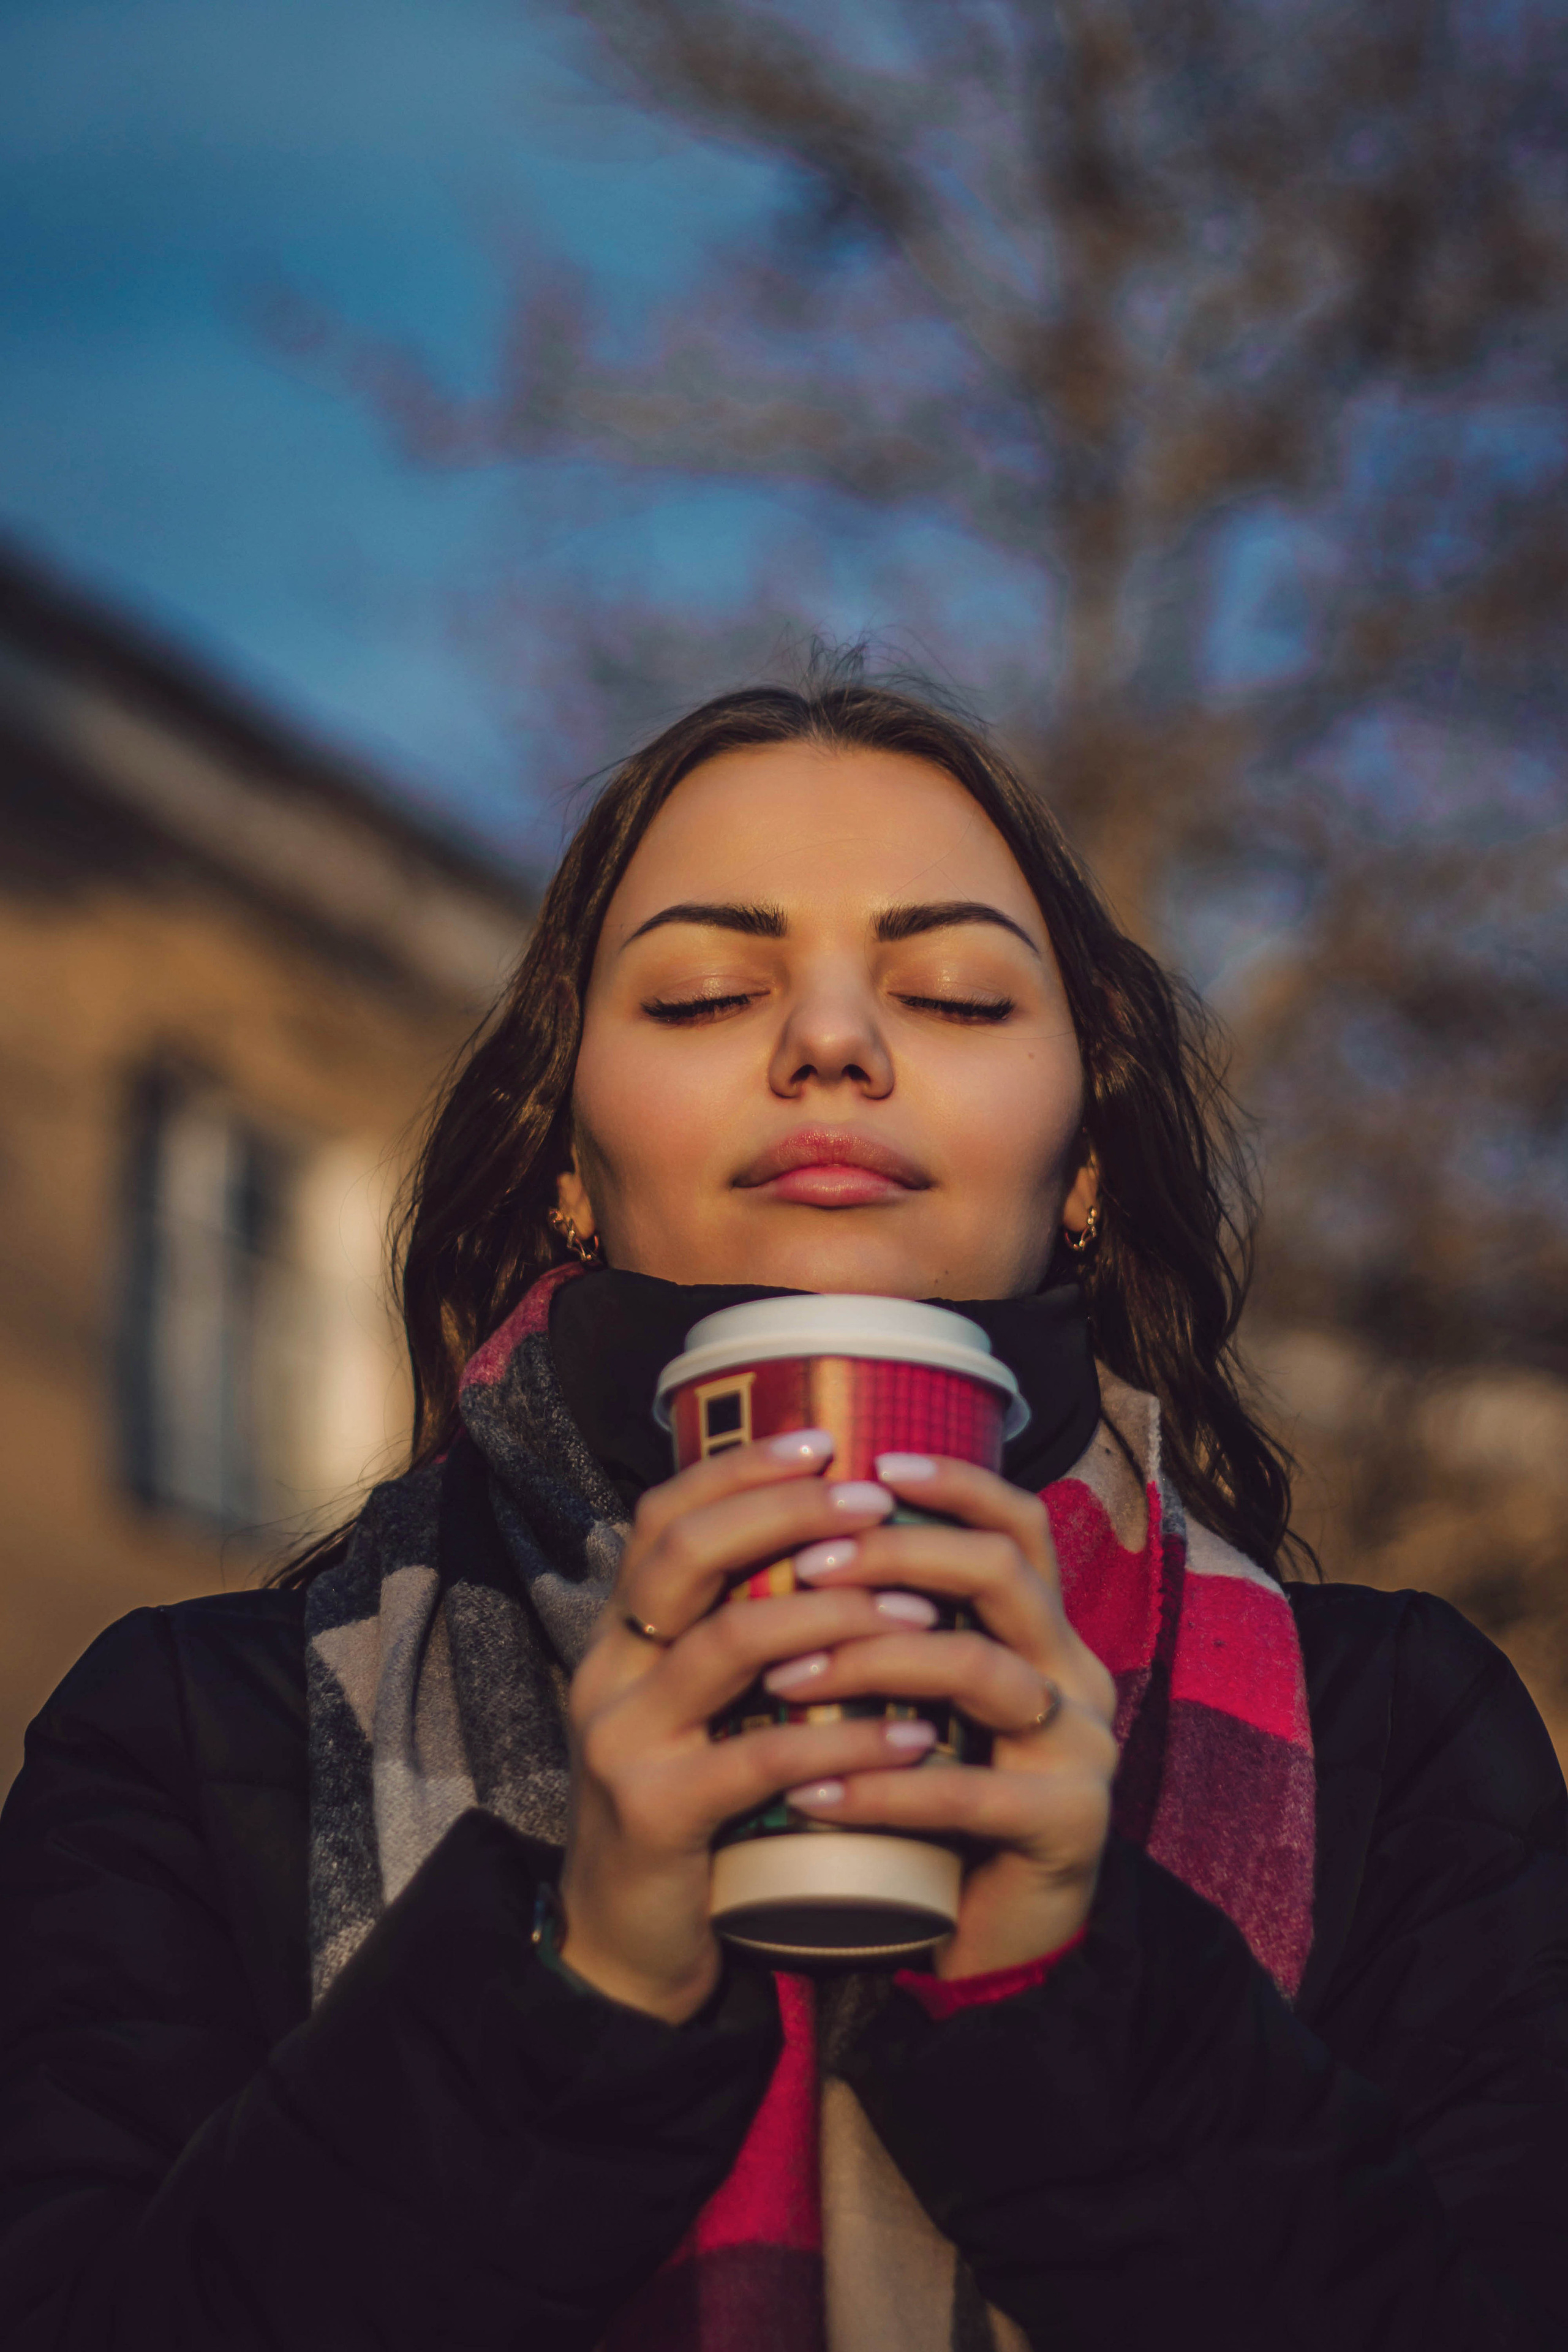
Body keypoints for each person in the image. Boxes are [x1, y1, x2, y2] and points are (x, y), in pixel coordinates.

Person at [1, 671, 1564, 2352]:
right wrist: (564, 1987)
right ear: (567, 1168)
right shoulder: (194, 1736)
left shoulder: (1401, 1742)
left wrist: (1078, 2001)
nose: (832, 1043)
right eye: (706, 994)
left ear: (1091, 1158)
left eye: (957, 995)